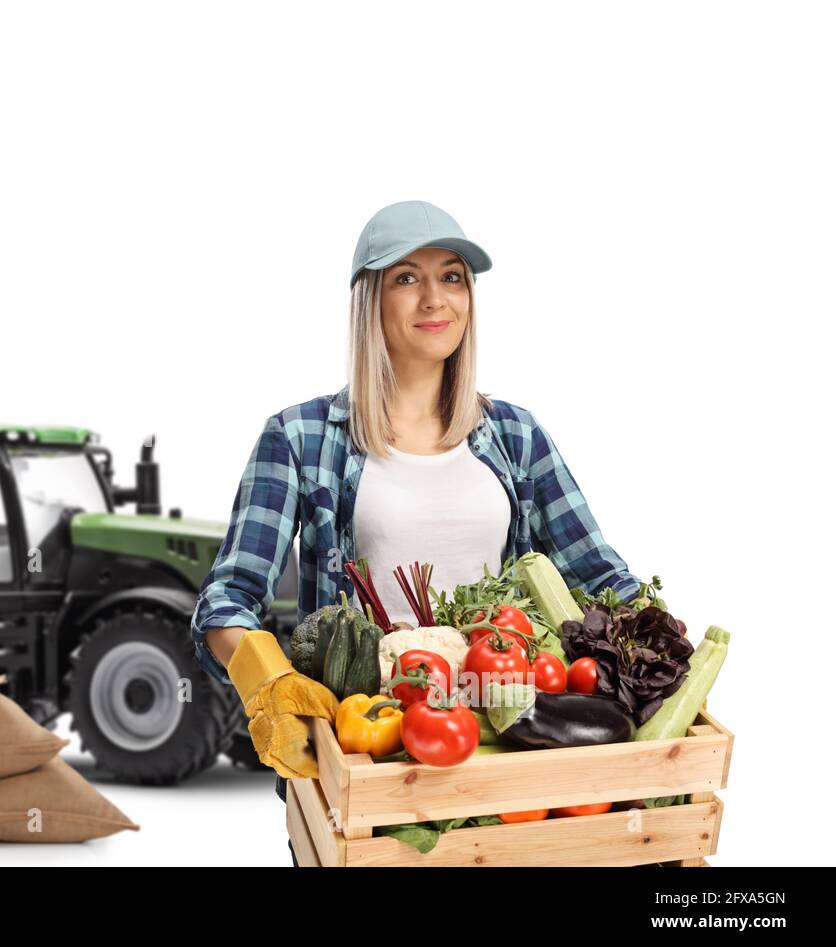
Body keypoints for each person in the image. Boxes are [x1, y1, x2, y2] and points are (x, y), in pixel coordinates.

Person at [189, 200, 644, 866]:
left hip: (506, 732)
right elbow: (227, 600)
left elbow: (601, 575)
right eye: (405, 278)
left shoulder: (517, 435)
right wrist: (268, 680)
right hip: (371, 745)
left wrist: (656, 642)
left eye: (452, 276)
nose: (435, 298)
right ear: (369, 300)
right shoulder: (299, 438)